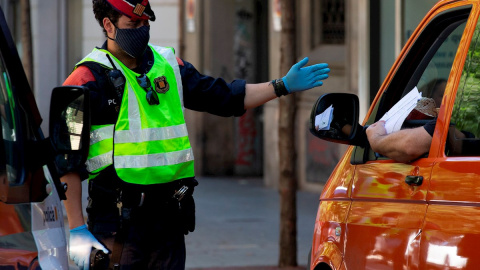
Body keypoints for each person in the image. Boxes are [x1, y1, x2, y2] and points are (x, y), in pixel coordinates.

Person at [62, 1, 331, 269]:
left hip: (168, 224)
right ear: (108, 25)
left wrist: (281, 85)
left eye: (146, 23)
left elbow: (224, 97)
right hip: (118, 228)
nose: (142, 30)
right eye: (133, 24)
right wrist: (75, 228)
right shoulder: (84, 80)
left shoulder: (168, 65)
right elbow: (66, 160)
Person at [366, 79, 465, 162]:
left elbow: (409, 147)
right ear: (430, 97)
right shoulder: (453, 124)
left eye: (455, 97)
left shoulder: (446, 124)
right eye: (442, 95)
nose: (449, 100)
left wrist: (376, 140)